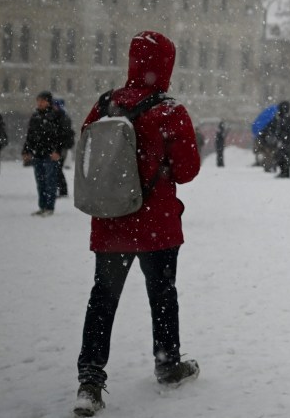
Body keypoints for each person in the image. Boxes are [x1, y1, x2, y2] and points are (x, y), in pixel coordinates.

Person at [73, 31, 201, 416]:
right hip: (156, 224)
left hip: (111, 221)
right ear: (166, 65)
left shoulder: (104, 104)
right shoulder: (169, 111)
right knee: (162, 296)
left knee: (102, 300)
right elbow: (188, 169)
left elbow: (88, 153)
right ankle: (167, 364)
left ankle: (90, 380)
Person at [22, 90, 75, 216]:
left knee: (50, 182)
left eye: (42, 100)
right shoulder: (35, 116)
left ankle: (49, 207)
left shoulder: (58, 115)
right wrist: (26, 150)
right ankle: (43, 206)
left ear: (48, 102)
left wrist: (58, 151)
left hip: (51, 154)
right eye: (38, 100)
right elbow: (30, 136)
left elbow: (65, 135)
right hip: (38, 154)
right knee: (40, 183)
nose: (39, 103)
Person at [266, 101, 290, 178]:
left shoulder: (284, 119)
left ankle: (284, 173)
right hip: (287, 141)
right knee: (283, 157)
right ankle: (285, 172)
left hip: (285, 142)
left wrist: (281, 137)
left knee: (283, 157)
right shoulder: (285, 118)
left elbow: (285, 131)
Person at [52, 98, 75, 197]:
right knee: (57, 169)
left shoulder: (62, 118)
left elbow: (63, 135)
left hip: (61, 148)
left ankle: (62, 190)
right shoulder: (61, 117)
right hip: (61, 147)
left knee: (57, 169)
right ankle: (62, 190)